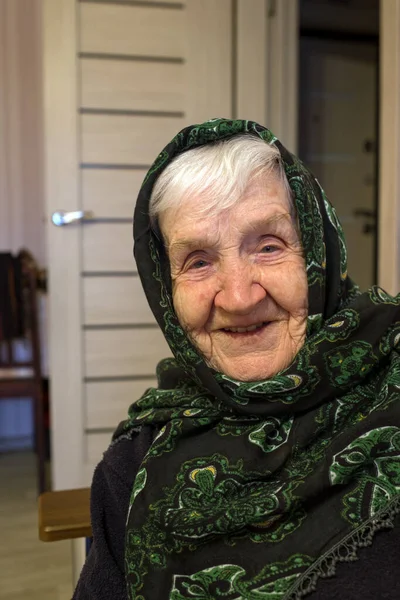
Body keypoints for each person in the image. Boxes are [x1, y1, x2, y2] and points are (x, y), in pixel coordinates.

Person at [73, 118, 400, 600]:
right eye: (199, 261)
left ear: (318, 253)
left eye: (269, 246)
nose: (240, 297)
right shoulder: (134, 463)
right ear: (166, 289)